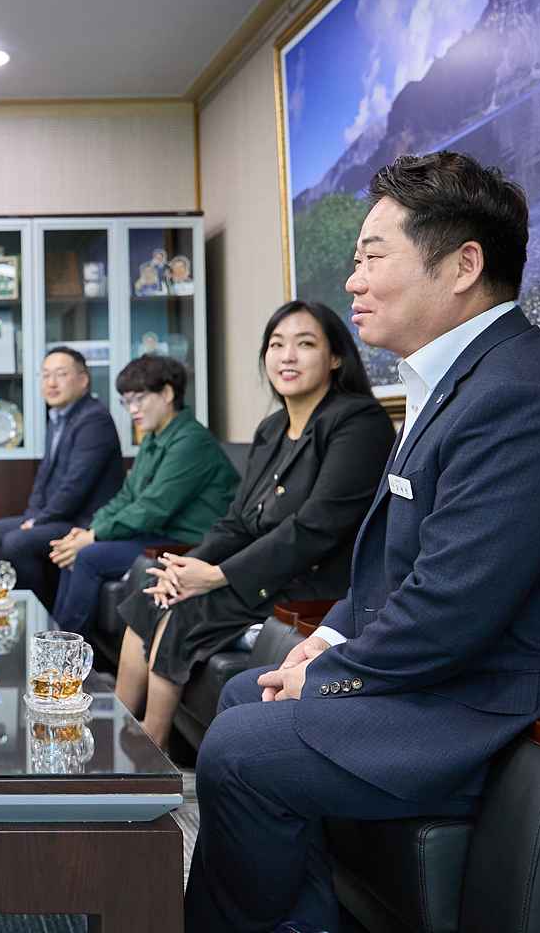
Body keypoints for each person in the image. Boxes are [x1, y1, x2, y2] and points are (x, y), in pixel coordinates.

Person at [187, 151, 540, 933]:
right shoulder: (459, 381)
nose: (353, 282)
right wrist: (330, 635)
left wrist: (334, 672)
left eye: (373, 257)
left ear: (464, 264)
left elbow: (452, 606)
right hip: (465, 671)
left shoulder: (523, 397)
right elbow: (400, 565)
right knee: (245, 694)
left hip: (514, 705)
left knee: (241, 748)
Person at [117, 300, 393, 750]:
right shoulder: (271, 429)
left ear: (336, 357)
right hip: (258, 575)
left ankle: (150, 748)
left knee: (185, 611)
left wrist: (219, 576)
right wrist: (185, 571)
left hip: (309, 585)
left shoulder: (358, 422)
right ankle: (119, 735)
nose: (287, 356)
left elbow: (315, 528)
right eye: (276, 344)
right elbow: (238, 523)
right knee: (153, 596)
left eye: (304, 344)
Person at [46, 355, 238, 633]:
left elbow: (153, 507)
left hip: (188, 544)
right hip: (157, 535)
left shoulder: (191, 441)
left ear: (168, 393)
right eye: (126, 402)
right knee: (75, 549)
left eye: (139, 399)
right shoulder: (153, 438)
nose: (132, 409)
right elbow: (128, 496)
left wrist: (94, 537)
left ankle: (65, 654)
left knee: (87, 555)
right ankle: (58, 642)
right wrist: (88, 531)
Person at [0, 346, 123, 602]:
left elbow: (75, 486)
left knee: (17, 542)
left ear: (82, 380)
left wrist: (38, 522)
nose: (51, 383)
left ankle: (42, 614)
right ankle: (12, 604)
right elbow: (45, 476)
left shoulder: (94, 420)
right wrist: (33, 515)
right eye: (46, 375)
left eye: (61, 374)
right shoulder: (58, 417)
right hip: (62, 516)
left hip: (84, 521)